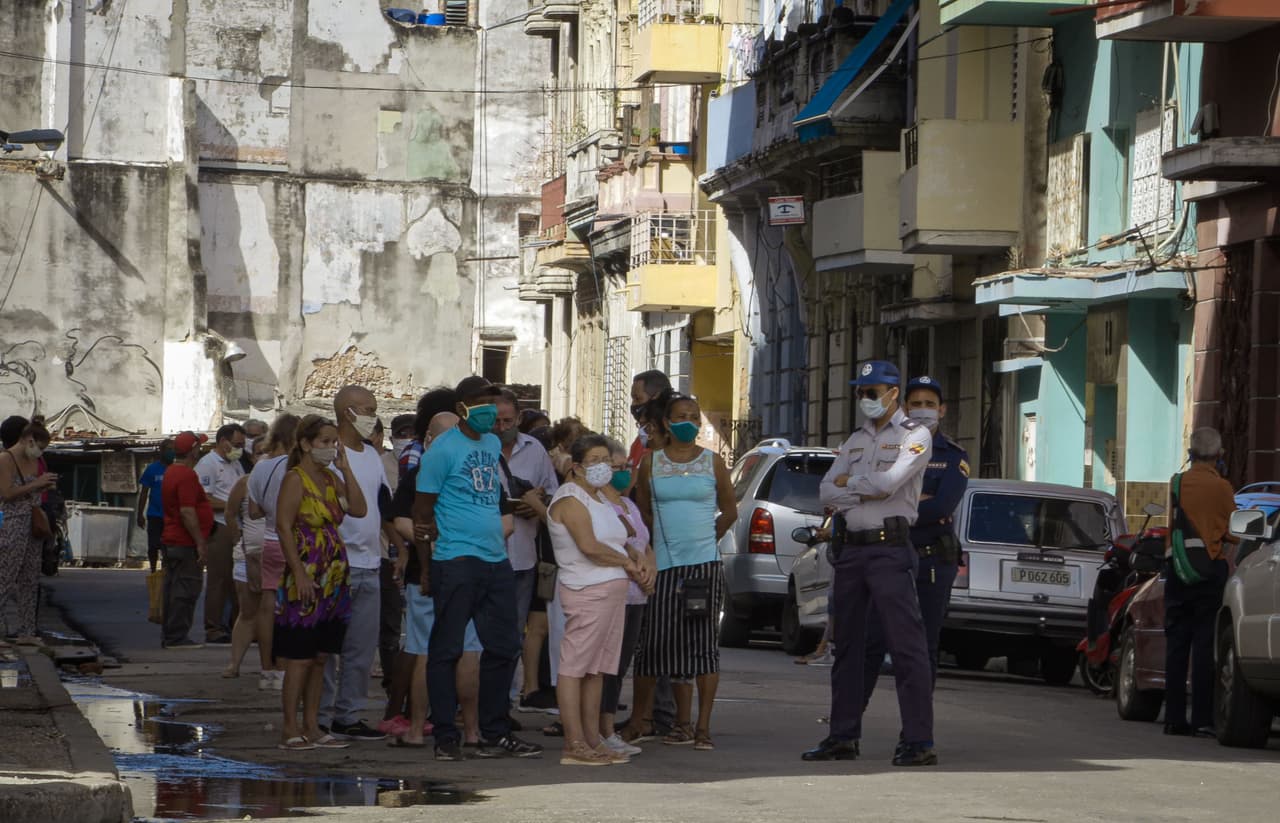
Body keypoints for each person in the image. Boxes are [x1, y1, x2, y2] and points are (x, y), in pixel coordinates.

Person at [804, 360, 936, 767]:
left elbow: (889, 483)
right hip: (852, 550)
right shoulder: (855, 440)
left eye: (872, 391)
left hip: (889, 549)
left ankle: (918, 741)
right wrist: (860, 490)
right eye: (862, 391)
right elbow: (826, 491)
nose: (866, 398)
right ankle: (842, 735)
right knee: (847, 646)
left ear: (894, 393)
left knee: (906, 647)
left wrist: (853, 486)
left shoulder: (915, 436)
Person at [414, 376, 543, 761]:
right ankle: (445, 738)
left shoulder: (490, 444)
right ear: (462, 409)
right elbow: (422, 511)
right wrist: (426, 565)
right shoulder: (441, 451)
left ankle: (494, 732)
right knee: (446, 649)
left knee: (504, 646)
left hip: (495, 559)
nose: (490, 412)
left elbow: (494, 494)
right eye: (482, 404)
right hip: (455, 560)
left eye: (493, 403)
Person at [630, 393, 736, 752]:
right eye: (680, 416)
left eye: (694, 415)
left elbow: (729, 510)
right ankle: (655, 721)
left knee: (702, 646)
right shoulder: (651, 463)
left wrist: (710, 537)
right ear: (666, 423)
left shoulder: (713, 463)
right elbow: (643, 509)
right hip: (664, 565)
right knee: (656, 645)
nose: (687, 421)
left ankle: (701, 727)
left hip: (703, 566)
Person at [384, 410, 491, 747]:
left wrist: (429, 536)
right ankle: (471, 730)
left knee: (426, 650)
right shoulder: (478, 470)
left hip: (430, 574)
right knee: (468, 649)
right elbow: (501, 520)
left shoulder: (424, 472)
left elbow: (399, 520)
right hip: (470, 569)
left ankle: (417, 729)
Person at [863, 375, 969, 700]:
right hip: (885, 556)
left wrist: (890, 499)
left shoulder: (953, 456)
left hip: (931, 560)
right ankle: (846, 728)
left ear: (942, 410)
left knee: (923, 646)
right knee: (869, 642)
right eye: (917, 404)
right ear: (905, 408)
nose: (924, 411)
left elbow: (940, 505)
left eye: (930, 405)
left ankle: (916, 731)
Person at [547, 434, 646, 766]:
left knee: (597, 670)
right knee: (575, 668)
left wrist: (633, 554)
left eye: (607, 460)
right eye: (595, 461)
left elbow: (626, 533)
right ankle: (573, 741)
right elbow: (589, 547)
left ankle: (592, 738)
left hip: (612, 592)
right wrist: (628, 563)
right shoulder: (570, 500)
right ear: (576, 467)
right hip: (587, 591)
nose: (604, 468)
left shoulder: (600, 497)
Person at [274, 415, 368, 751]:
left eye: (333, 442)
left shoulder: (330, 478)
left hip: (333, 573)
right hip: (308, 568)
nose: (330, 448)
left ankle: (313, 725)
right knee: (299, 655)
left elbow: (358, 508)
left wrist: (345, 469)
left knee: (321, 656)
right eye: (324, 442)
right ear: (305, 444)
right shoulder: (295, 480)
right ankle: (290, 726)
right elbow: (284, 526)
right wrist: (298, 572)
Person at [318, 386, 392, 741]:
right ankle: (320, 714)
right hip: (336, 563)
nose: (373, 417)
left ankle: (348, 715)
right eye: (368, 409)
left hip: (370, 562)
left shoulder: (373, 457)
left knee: (361, 648)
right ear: (348, 412)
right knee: (328, 648)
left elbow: (381, 505)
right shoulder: (330, 454)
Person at [1164, 426, 1236, 737]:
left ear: (1191, 454)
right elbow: (1234, 530)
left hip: (1178, 570)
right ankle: (1201, 719)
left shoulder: (1177, 483)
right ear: (1218, 456)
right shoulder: (1222, 488)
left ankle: (1174, 718)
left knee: (1177, 645)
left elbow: (1173, 526)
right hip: (1208, 572)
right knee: (1204, 645)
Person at [494, 388, 559, 697]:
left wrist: (536, 501)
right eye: (496, 421)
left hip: (523, 556)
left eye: (508, 421)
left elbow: (553, 492)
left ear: (519, 417)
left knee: (513, 633)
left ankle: (503, 702)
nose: (502, 428)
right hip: (486, 555)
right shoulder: (477, 448)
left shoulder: (534, 450)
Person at [598, 437, 653, 758]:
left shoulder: (629, 504)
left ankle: (608, 729)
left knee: (619, 667)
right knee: (604, 666)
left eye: (626, 467)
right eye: (615, 467)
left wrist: (651, 573)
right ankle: (600, 729)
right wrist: (634, 569)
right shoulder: (597, 505)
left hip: (637, 597)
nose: (623, 473)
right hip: (612, 593)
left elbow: (644, 545)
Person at [247, 414, 301, 691]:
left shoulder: (260, 468)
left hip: (268, 540)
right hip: (295, 540)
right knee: (292, 606)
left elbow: (253, 512)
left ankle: (266, 670)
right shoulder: (297, 468)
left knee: (267, 606)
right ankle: (284, 667)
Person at [0, 419, 57, 644]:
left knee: (30, 578)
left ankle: (27, 631)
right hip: (12, 523)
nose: (39, 452)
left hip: (32, 522)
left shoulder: (33, 460)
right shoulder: (6, 459)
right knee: (6, 576)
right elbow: (6, 494)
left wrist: (44, 486)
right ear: (27, 440)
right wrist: (36, 484)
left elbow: (30, 491)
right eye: (39, 447)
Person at [158, 431, 213, 649]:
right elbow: (187, 511)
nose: (200, 451)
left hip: (173, 538)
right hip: (183, 541)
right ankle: (176, 637)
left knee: (174, 589)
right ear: (193, 450)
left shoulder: (171, 471)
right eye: (198, 447)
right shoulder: (187, 475)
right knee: (185, 590)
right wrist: (200, 542)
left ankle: (171, 634)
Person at [223, 438, 271, 679]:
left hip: (276, 555)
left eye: (268, 452)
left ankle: (269, 667)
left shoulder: (287, 481)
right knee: (248, 611)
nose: (263, 456)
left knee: (271, 613)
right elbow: (230, 513)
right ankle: (234, 664)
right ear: (253, 457)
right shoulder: (244, 483)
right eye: (259, 452)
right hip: (246, 554)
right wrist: (237, 539)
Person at [196, 423, 247, 644]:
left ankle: (237, 626)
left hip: (238, 525)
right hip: (220, 526)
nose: (240, 449)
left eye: (242, 445)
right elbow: (204, 499)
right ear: (222, 441)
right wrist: (231, 506)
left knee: (238, 581)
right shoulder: (208, 464)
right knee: (219, 580)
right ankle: (213, 627)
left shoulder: (235, 464)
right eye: (236, 444)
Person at [136, 439, 175, 573]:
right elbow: (144, 493)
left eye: (173, 449)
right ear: (162, 451)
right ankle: (153, 570)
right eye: (169, 449)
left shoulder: (177, 470)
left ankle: (166, 571)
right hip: (154, 515)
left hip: (172, 517)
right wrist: (139, 514)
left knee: (168, 547)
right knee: (153, 546)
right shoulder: (152, 469)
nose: (172, 452)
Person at [628, 370, 672, 470]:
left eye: (638, 398)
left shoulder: (674, 442)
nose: (633, 405)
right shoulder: (641, 439)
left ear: (656, 397)